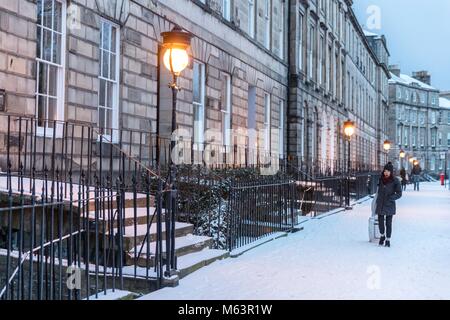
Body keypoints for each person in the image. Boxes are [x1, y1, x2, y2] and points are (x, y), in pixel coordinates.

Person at [375, 162, 402, 247]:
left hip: (389, 204)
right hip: (380, 203)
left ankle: (388, 239)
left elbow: (399, 193)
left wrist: (391, 198)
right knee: (380, 222)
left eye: (388, 171)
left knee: (388, 223)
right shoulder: (381, 179)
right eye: (385, 171)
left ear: (391, 172)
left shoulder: (395, 181)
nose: (386, 173)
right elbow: (378, 191)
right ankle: (382, 235)